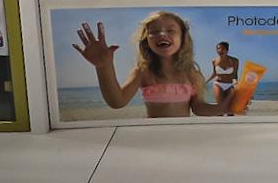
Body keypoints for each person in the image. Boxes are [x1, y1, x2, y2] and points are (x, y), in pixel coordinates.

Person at [72, 12, 229, 119]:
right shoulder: (143, 72)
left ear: (183, 39)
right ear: (146, 40)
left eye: (170, 30)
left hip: (183, 133)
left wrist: (222, 108)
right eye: (154, 32)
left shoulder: (192, 74)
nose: (162, 34)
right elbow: (117, 102)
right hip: (151, 134)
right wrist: (104, 67)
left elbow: (198, 107)